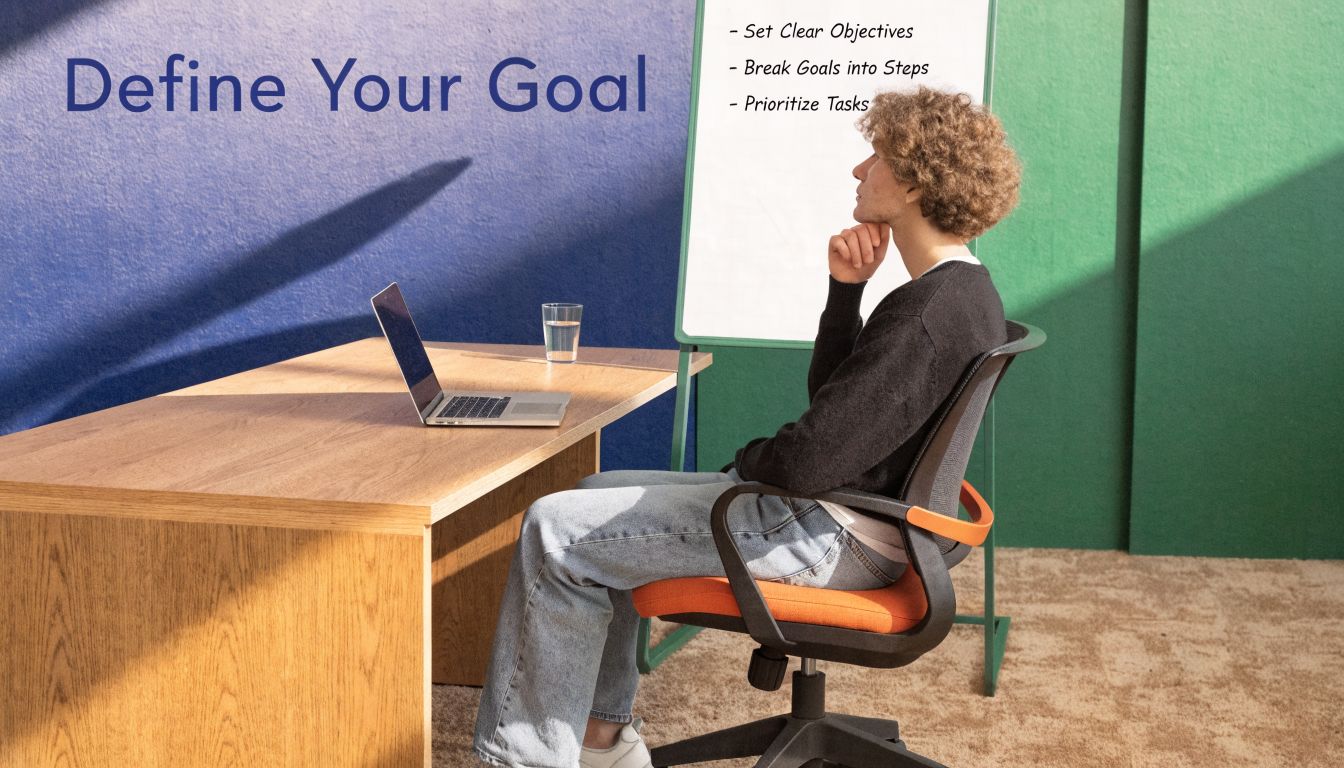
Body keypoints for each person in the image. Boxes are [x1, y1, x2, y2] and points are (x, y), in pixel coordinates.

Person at [472, 86, 1021, 768]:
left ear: (911, 181)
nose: (858, 172)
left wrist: (744, 464)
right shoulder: (957, 293)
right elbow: (841, 407)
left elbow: (805, 462)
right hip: (862, 523)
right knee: (592, 490)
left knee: (555, 530)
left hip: (826, 534)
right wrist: (846, 291)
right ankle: (601, 741)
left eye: (874, 158)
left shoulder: (927, 316)